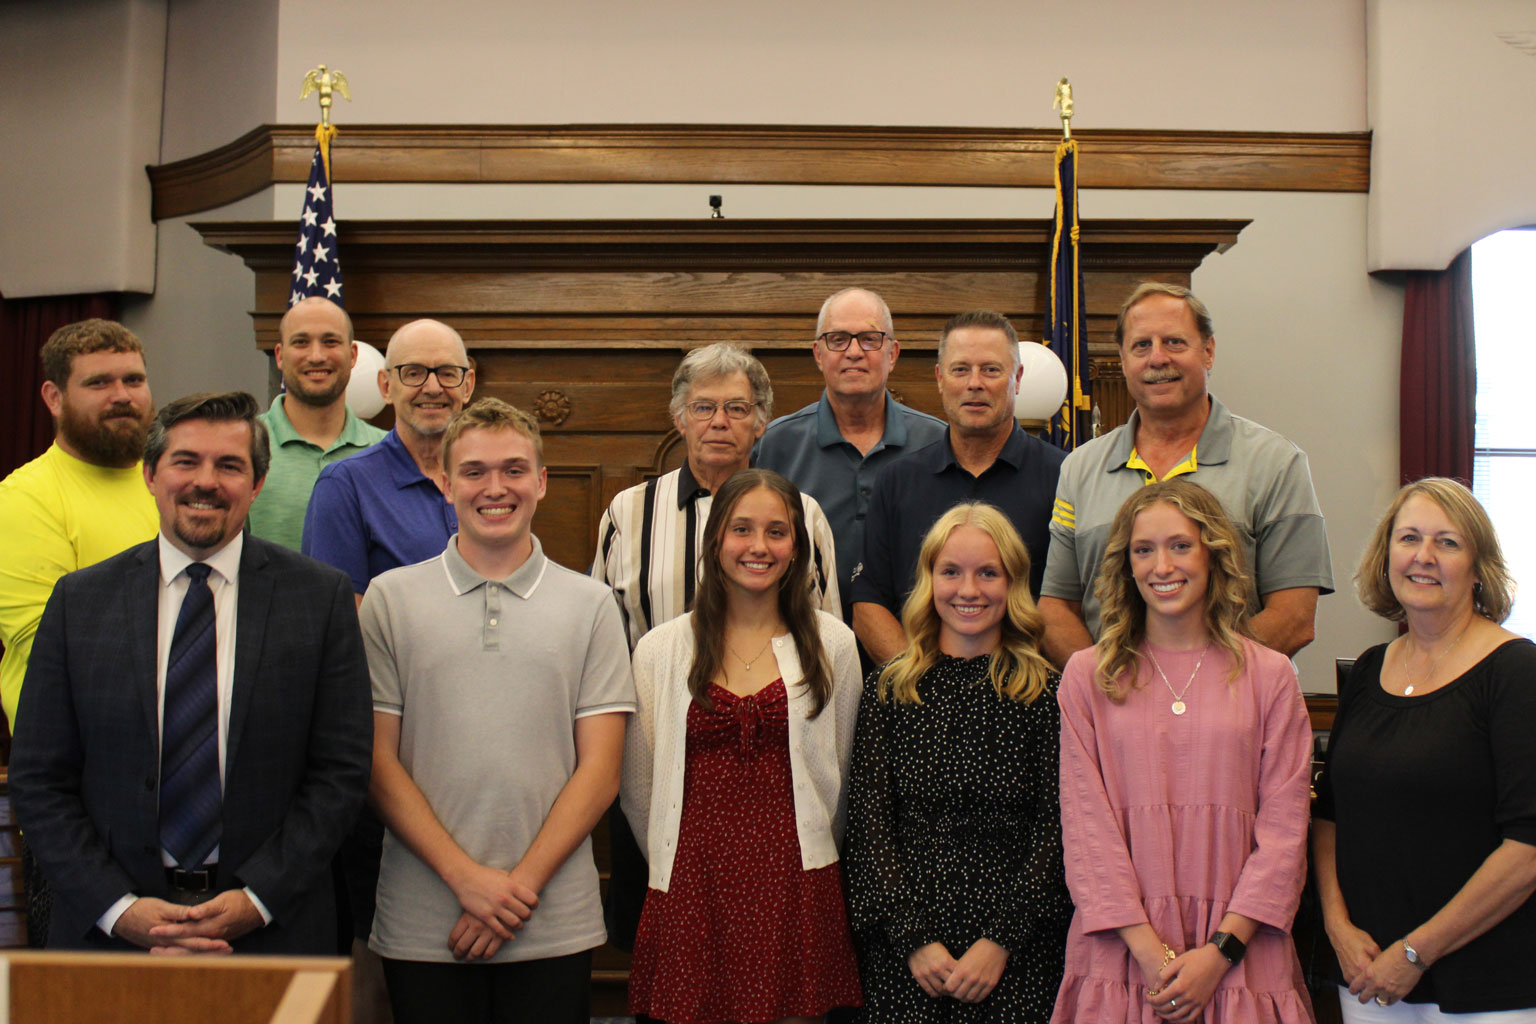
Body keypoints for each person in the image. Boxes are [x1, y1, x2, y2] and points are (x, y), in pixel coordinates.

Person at [9, 391, 372, 954]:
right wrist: (119, 909)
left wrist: (257, 900)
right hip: (109, 942)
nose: (206, 481)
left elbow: (341, 773)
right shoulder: (79, 602)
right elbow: (38, 778)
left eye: (230, 466)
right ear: (151, 474)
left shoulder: (318, 598)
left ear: (256, 485)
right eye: (186, 462)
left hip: (276, 932)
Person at [363, 399, 634, 1024]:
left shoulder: (590, 605)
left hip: (549, 915)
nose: (495, 488)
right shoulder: (390, 600)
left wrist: (516, 890)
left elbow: (601, 770)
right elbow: (377, 761)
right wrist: (466, 880)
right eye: (475, 471)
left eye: (514, 469)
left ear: (541, 481)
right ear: (444, 481)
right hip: (423, 914)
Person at [592, 342, 841, 951]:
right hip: (656, 772)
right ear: (679, 417)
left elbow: (831, 659)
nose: (720, 422)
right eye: (704, 407)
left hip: (780, 784)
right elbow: (601, 641)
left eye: (737, 408)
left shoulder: (804, 514)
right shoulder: (629, 511)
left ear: (761, 421)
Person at [1052, 479, 1313, 1022]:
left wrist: (1220, 953)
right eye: (1143, 551)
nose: (1161, 566)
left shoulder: (1269, 676)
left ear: (1213, 553)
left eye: (1179, 545)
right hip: (1121, 952)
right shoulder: (1088, 676)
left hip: (1242, 948)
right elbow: (1086, 830)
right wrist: (1151, 954)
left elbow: (1285, 832)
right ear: (1126, 565)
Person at [620, 469, 863, 1024]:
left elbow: (844, 772)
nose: (759, 546)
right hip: (691, 886)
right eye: (742, 529)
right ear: (715, 541)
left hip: (798, 884)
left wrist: (816, 854)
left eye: (777, 532)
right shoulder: (661, 650)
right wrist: (671, 859)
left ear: (797, 545)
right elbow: (638, 785)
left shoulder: (835, 645)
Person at [1313, 478, 1536, 1020]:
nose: (1424, 557)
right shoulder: (1368, 670)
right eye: (1408, 538)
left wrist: (1417, 952)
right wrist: (1338, 927)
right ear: (1386, 555)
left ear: (1479, 566)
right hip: (1365, 975)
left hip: (1484, 987)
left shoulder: (1515, 671)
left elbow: (1528, 846)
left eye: (1448, 542)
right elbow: (1329, 814)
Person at [845, 502, 1072, 1022]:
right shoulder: (890, 689)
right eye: (951, 572)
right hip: (907, 950)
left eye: (987, 573)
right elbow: (869, 823)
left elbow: (1057, 828)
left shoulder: (1047, 695)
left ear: (1012, 583)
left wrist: (1002, 941)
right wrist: (912, 940)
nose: (968, 590)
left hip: (1018, 950)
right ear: (929, 580)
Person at [1039, 282, 1332, 666]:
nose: (1157, 358)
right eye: (1141, 346)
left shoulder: (1276, 463)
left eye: (1175, 342)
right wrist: (1110, 687)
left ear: (1208, 351)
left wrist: (1190, 690)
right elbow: (1056, 610)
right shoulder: (1080, 468)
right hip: (1112, 707)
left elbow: (1294, 619)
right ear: (1123, 360)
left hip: (1237, 708)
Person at [852, 310, 1065, 666]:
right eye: (960, 369)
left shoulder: (1062, 477)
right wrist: (925, 688)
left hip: (1030, 700)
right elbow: (868, 603)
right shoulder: (897, 480)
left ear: (1018, 378)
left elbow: (1067, 604)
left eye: (991, 370)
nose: (975, 383)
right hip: (917, 699)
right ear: (939, 378)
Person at [0, 318, 157, 730]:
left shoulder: (173, 485)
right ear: (54, 397)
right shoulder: (24, 498)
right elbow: (48, 647)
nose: (122, 396)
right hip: (72, 761)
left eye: (134, 379)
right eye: (99, 383)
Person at [755, 287, 946, 621]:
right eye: (838, 339)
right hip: (805, 642)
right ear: (818, 353)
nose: (854, 352)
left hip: (916, 647)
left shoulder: (938, 442)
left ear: (893, 353)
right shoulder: (776, 444)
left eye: (870, 339)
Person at [304, 317, 476, 603]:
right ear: (385, 386)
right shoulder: (345, 487)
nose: (432, 387)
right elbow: (339, 624)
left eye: (447, 373)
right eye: (413, 373)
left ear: (467, 386)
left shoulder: (493, 481)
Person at [248, 296, 386, 551]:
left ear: (353, 355)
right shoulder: (244, 444)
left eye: (330, 342)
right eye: (301, 342)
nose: (316, 356)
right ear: (279, 355)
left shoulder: (388, 451)